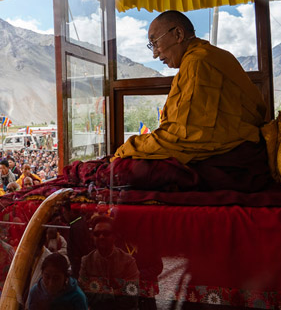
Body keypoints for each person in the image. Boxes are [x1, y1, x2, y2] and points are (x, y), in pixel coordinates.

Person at [112, 10, 270, 191]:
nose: (155, 54)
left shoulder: (198, 62)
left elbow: (185, 137)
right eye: (152, 46)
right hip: (239, 151)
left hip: (229, 161)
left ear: (178, 34)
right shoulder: (213, 55)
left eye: (155, 43)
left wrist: (128, 148)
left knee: (123, 171)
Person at [79, 216, 139, 309]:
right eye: (97, 233)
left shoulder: (128, 261)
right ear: (93, 237)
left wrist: (99, 294)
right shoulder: (86, 261)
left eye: (106, 233)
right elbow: (84, 294)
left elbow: (131, 295)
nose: (101, 237)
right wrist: (115, 293)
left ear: (115, 236)